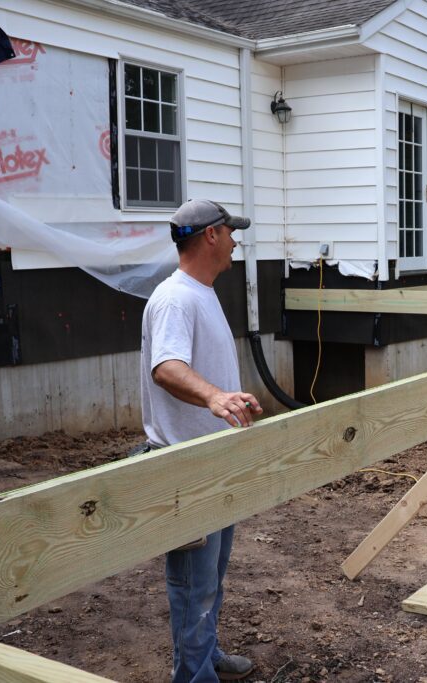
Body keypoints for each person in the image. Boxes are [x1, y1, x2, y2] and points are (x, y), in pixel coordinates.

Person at [140, 198, 263, 682]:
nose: (236, 240)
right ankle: (194, 677)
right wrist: (214, 397)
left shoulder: (201, 292)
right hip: (186, 466)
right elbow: (166, 368)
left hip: (216, 460)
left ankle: (206, 655)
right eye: (230, 232)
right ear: (211, 235)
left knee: (211, 577)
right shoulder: (176, 298)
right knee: (192, 584)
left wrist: (229, 403)